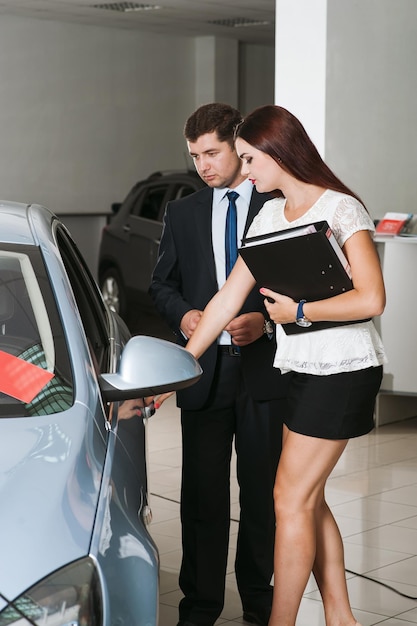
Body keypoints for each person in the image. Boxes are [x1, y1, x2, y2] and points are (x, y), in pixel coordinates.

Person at [156, 104, 387, 626]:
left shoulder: (341, 208)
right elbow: (222, 302)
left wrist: (298, 312)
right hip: (300, 369)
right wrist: (180, 368)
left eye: (250, 159)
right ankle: (340, 616)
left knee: (288, 497)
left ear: (279, 153)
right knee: (310, 498)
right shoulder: (267, 214)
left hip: (343, 369)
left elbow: (372, 299)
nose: (247, 171)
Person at [149, 102, 291, 626]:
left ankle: (259, 603)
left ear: (239, 145)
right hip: (204, 374)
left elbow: (306, 290)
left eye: (212, 152)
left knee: (261, 496)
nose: (203, 165)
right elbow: (161, 284)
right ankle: (201, 606)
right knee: (203, 499)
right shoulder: (183, 212)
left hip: (265, 372)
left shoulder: (277, 205)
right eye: (194, 156)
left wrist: (268, 324)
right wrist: (187, 316)